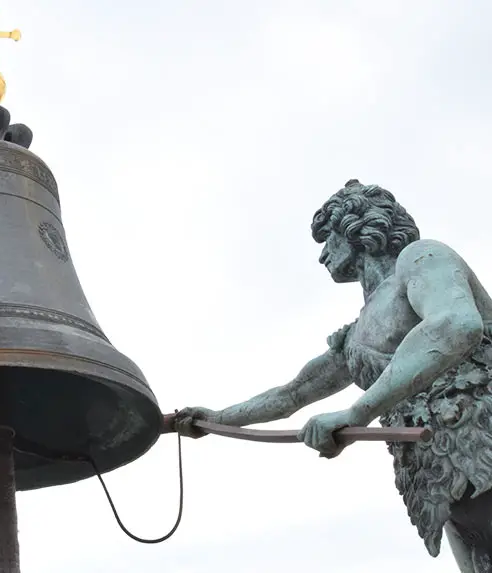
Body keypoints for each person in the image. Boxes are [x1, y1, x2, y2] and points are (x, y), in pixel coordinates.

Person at [176, 180, 492, 573]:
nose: (324, 255)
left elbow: (456, 325)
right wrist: (215, 420)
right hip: (440, 471)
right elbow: (293, 394)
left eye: (328, 239)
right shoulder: (356, 335)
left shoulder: (423, 258)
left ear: (356, 228)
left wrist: (356, 413)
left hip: (481, 436)